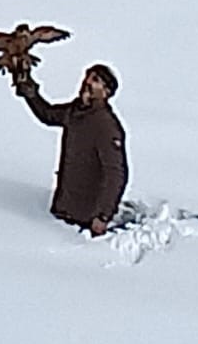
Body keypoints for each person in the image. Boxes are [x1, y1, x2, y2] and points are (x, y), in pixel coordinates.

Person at [12, 62, 127, 234]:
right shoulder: (75, 111)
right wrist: (30, 92)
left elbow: (116, 174)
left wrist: (103, 216)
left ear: (106, 92)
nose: (86, 82)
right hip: (63, 210)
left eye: (95, 80)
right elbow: (48, 114)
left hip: (87, 221)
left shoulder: (106, 126)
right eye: (86, 77)